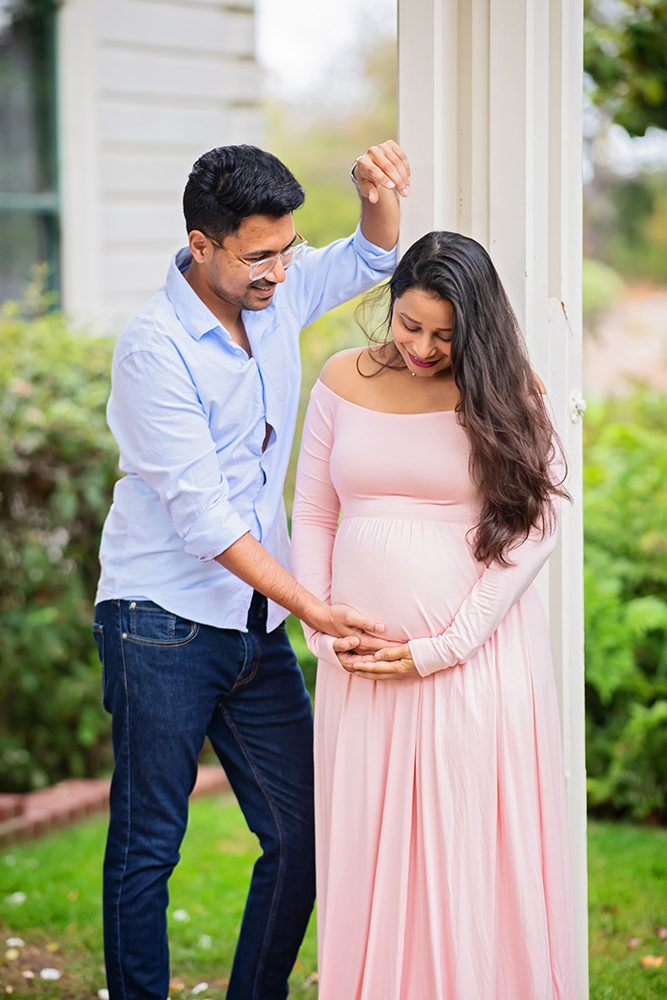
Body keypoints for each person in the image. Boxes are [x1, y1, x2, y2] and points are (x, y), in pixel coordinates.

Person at [92, 140, 411, 1000]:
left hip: (253, 621)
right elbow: (204, 518)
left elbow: (373, 254)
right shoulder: (153, 350)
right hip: (157, 618)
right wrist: (318, 606)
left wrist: (376, 194)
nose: (279, 268)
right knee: (150, 844)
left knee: (304, 834)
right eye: (258, 253)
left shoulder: (273, 291)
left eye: (287, 248)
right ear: (202, 245)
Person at [291, 231, 578, 999]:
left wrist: (446, 645)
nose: (420, 347)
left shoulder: (511, 392)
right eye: (408, 324)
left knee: (463, 849)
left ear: (476, 328)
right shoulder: (339, 379)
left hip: (472, 663)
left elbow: (535, 530)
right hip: (359, 672)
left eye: (444, 335)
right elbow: (314, 511)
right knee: (365, 852)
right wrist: (320, 625)